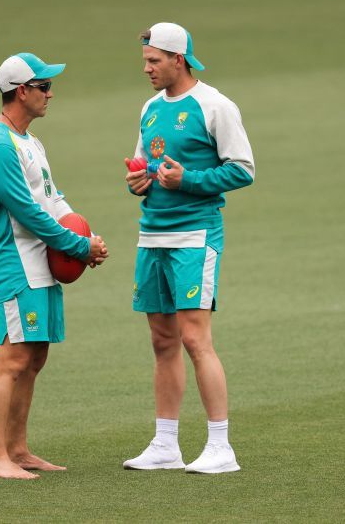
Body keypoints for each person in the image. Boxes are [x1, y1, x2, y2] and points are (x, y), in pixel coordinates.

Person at [122, 23, 255, 474]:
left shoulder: (214, 105)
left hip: (195, 237)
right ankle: (166, 444)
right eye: (145, 61)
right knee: (163, 342)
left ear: (179, 59)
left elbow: (242, 169)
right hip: (152, 236)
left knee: (196, 339)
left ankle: (221, 447)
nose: (147, 69)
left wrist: (190, 181)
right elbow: (145, 166)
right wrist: (139, 183)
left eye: (154, 60)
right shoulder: (151, 108)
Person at [0, 52, 108, 480]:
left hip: (41, 263)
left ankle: (18, 450)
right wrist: (77, 245)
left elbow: (52, 198)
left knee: (33, 359)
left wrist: (85, 237)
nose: (51, 93)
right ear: (21, 91)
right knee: (11, 360)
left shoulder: (30, 141)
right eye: (44, 86)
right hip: (16, 264)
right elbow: (27, 212)